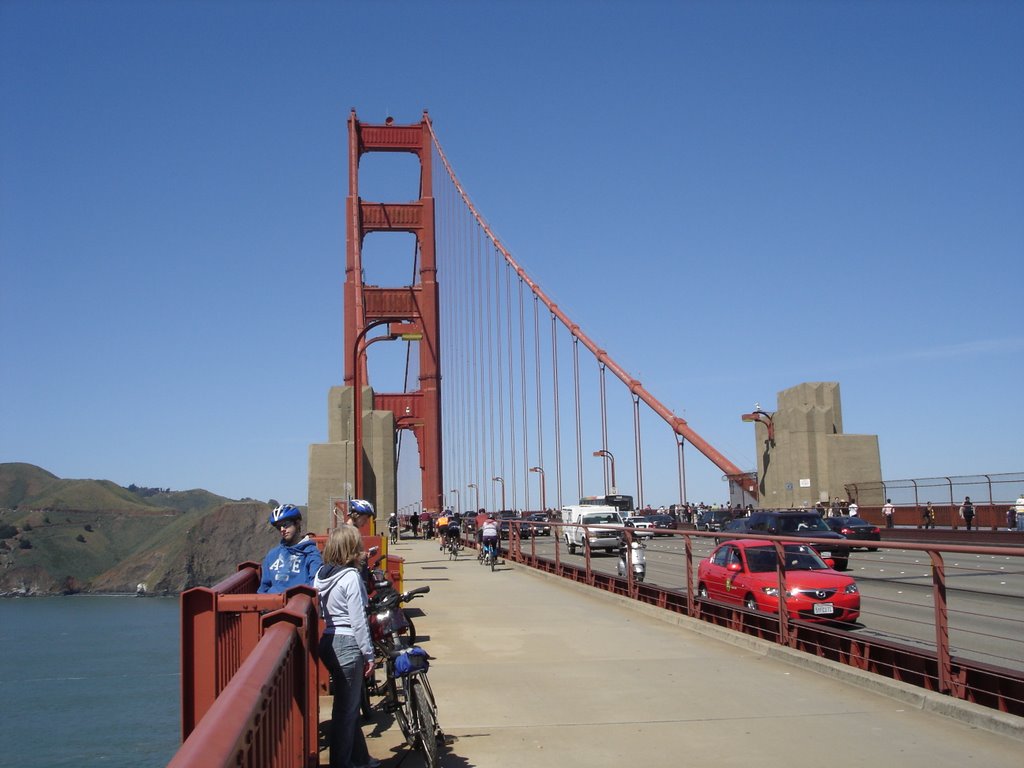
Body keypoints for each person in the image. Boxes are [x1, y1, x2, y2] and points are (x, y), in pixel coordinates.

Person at [314, 525, 379, 768]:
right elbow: (358, 621)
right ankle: (341, 763)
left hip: (327, 641)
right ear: (351, 548)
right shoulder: (350, 576)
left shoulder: (321, 574)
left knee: (348, 707)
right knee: (346, 712)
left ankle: (361, 758)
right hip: (348, 644)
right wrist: (369, 654)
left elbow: (320, 610)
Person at [257, 504, 323, 594]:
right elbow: (264, 588)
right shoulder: (272, 555)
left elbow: (315, 584)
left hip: (298, 605)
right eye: (278, 527)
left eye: (286, 524)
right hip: (272, 605)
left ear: (298, 523)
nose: (282, 529)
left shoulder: (311, 553)